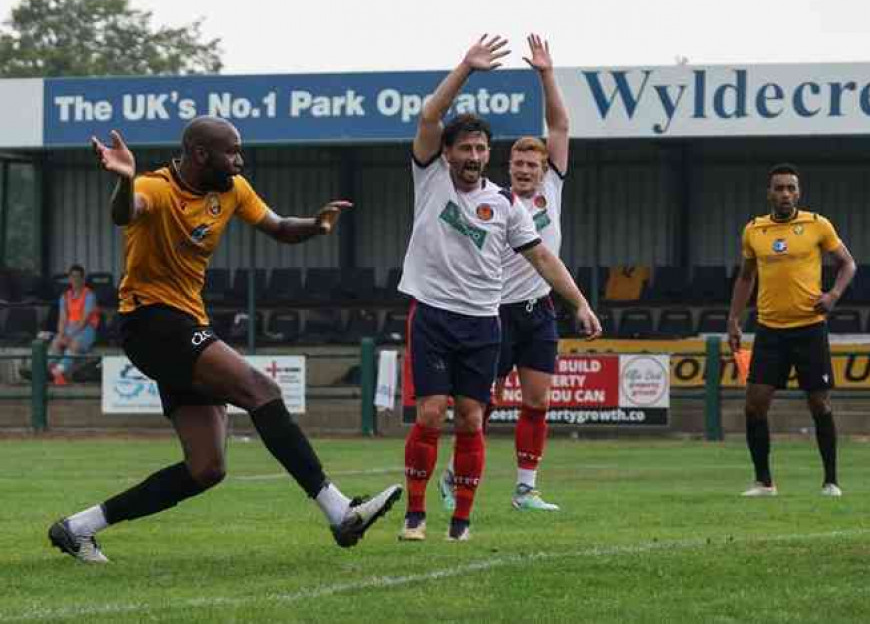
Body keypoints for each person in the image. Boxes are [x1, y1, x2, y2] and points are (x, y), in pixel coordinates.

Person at [48, 117, 401, 563]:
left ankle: (77, 528)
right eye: (232, 152)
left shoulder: (233, 188)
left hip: (185, 321)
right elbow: (124, 212)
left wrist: (315, 225)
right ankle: (339, 511)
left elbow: (278, 227)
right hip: (150, 321)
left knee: (207, 468)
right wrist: (122, 180)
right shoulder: (156, 188)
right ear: (200, 154)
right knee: (262, 391)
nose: (240, 159)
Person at [398, 35, 602, 542]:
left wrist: (578, 302)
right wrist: (466, 68)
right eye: (464, 147)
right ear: (445, 154)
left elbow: (541, 257)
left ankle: (463, 520)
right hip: (434, 314)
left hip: (485, 320)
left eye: (479, 148)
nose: (473, 155)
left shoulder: (506, 205)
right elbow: (429, 117)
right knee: (430, 411)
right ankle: (416, 515)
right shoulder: (430, 179)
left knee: (471, 418)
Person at [438, 35, 572, 513]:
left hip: (538, 312)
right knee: (478, 406)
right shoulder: (493, 199)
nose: (525, 170)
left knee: (538, 401)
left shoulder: (551, 187)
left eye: (533, 164)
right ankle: (455, 475)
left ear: (543, 168)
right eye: (517, 162)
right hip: (492, 312)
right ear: (506, 165)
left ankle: (525, 488)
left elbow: (559, 123)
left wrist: (546, 74)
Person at [727, 163, 856, 498]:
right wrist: (733, 320)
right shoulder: (754, 230)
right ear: (769, 193)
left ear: (799, 193)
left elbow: (848, 264)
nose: (785, 194)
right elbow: (745, 278)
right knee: (754, 404)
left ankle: (831, 481)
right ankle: (764, 482)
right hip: (770, 330)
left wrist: (833, 296)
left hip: (810, 329)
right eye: (779, 188)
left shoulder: (817, 225)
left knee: (819, 404)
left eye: (791, 188)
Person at [48, 264, 100, 385]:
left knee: (74, 344)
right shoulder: (64, 296)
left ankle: (58, 371)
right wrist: (61, 334)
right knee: (56, 342)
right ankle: (45, 370)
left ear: (83, 279)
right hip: (69, 330)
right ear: (69, 279)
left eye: (78, 277)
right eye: (72, 277)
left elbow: (85, 320)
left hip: (86, 330)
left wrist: (70, 335)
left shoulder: (89, 295)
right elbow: (62, 319)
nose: (75, 280)